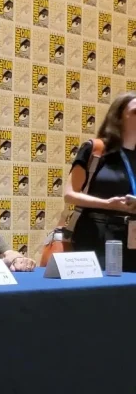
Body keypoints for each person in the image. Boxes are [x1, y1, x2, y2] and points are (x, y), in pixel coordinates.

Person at [65, 93, 136, 270]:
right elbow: (69, 195)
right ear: (118, 117)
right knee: (103, 286)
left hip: (132, 238)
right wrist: (107, 204)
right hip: (97, 234)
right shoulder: (96, 150)